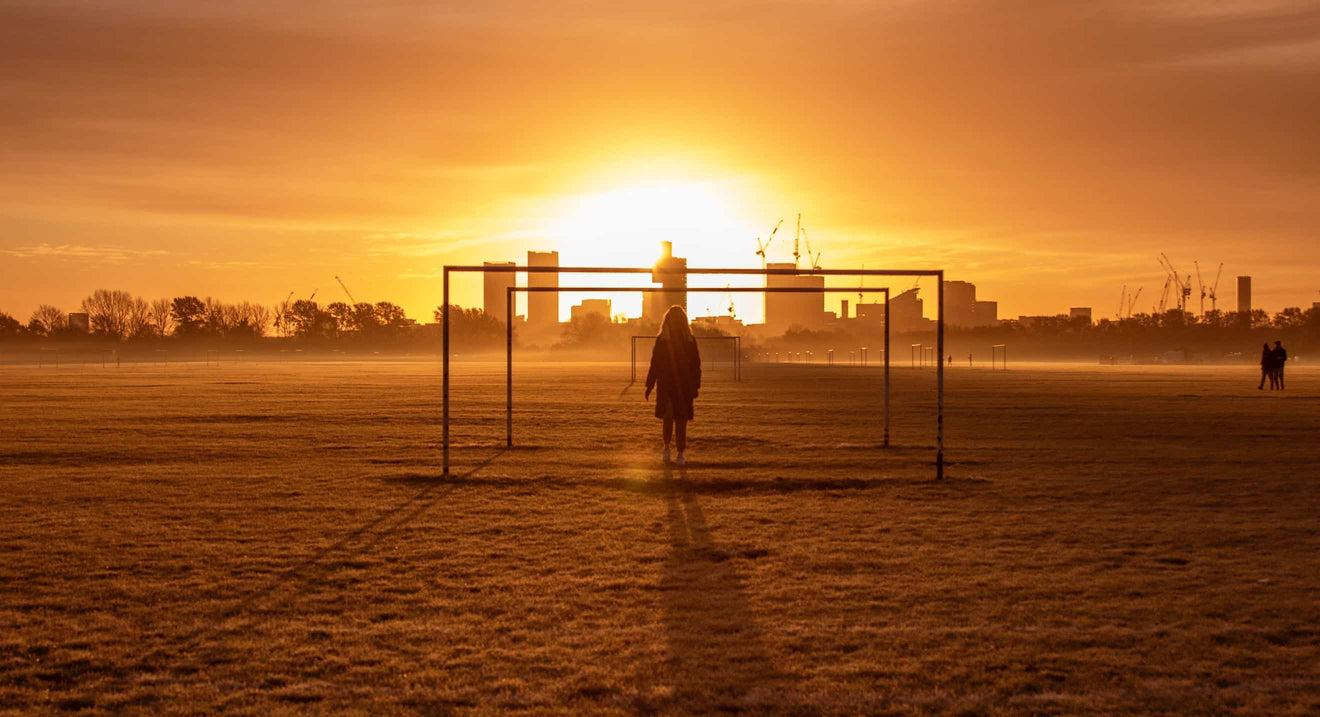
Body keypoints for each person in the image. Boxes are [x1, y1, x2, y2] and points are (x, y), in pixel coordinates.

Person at [645, 305, 702, 466]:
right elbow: (655, 363)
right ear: (668, 320)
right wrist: (649, 384)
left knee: (681, 420)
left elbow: (696, 365)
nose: (675, 321)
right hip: (667, 384)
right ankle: (666, 447)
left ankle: (680, 453)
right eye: (672, 318)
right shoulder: (662, 340)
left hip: (684, 385)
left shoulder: (689, 340)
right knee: (668, 416)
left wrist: (695, 386)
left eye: (678, 318)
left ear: (682, 321)